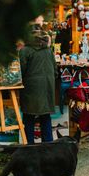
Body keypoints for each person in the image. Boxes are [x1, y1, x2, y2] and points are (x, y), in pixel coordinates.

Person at [19, 16, 57, 144]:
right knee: (45, 117)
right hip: (47, 86)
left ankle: (30, 147)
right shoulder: (48, 49)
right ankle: (48, 146)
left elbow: (21, 71)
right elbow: (55, 69)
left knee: (29, 117)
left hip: (31, 88)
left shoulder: (25, 51)